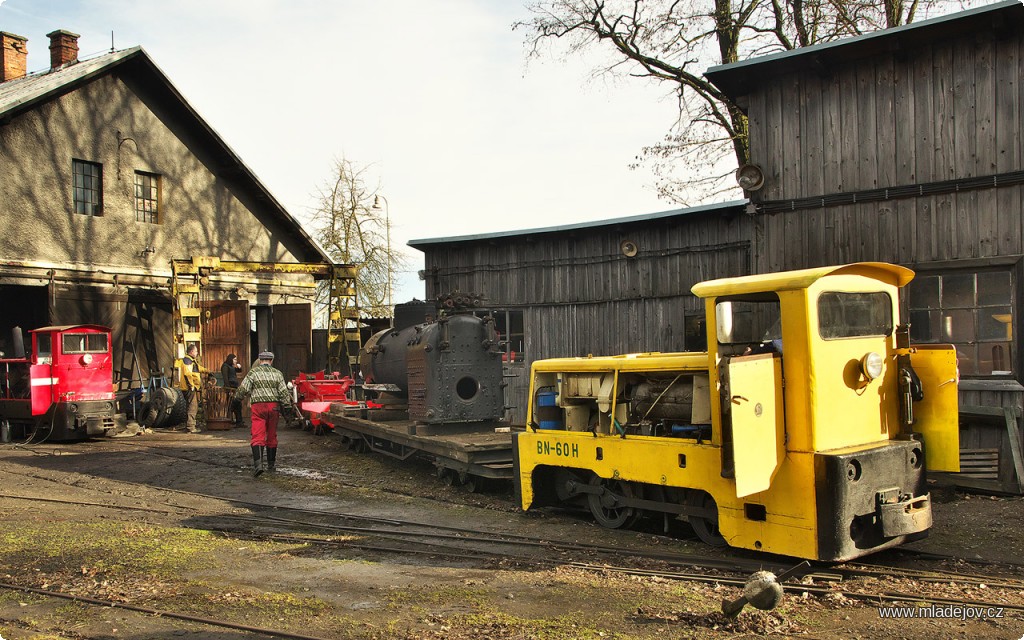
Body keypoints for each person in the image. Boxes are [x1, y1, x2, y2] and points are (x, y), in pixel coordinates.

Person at [234, 351, 293, 477]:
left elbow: (243, 389)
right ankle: (271, 464)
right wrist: (287, 408)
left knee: (257, 434)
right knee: (272, 435)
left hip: (258, 407)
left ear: (260, 361)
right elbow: (283, 392)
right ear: (271, 361)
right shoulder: (277, 373)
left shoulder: (253, 373)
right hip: (274, 407)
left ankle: (258, 465)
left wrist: (236, 400)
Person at [177, 343, 210, 433]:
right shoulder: (187, 361)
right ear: (191, 352)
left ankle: (188, 425)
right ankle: (191, 427)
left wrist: (207, 371)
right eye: (196, 351)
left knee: (189, 406)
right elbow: (187, 374)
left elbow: (198, 368)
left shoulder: (191, 361)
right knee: (193, 406)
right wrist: (191, 385)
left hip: (189, 388)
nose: (197, 353)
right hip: (189, 388)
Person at [221, 353, 244, 427]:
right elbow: (225, 378)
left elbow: (239, 371)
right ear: (231, 359)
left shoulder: (232, 366)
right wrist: (228, 390)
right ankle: (229, 420)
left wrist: (239, 367)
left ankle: (239, 422)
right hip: (230, 388)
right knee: (231, 405)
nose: (236, 361)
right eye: (234, 359)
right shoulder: (225, 366)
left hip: (235, 387)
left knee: (238, 404)